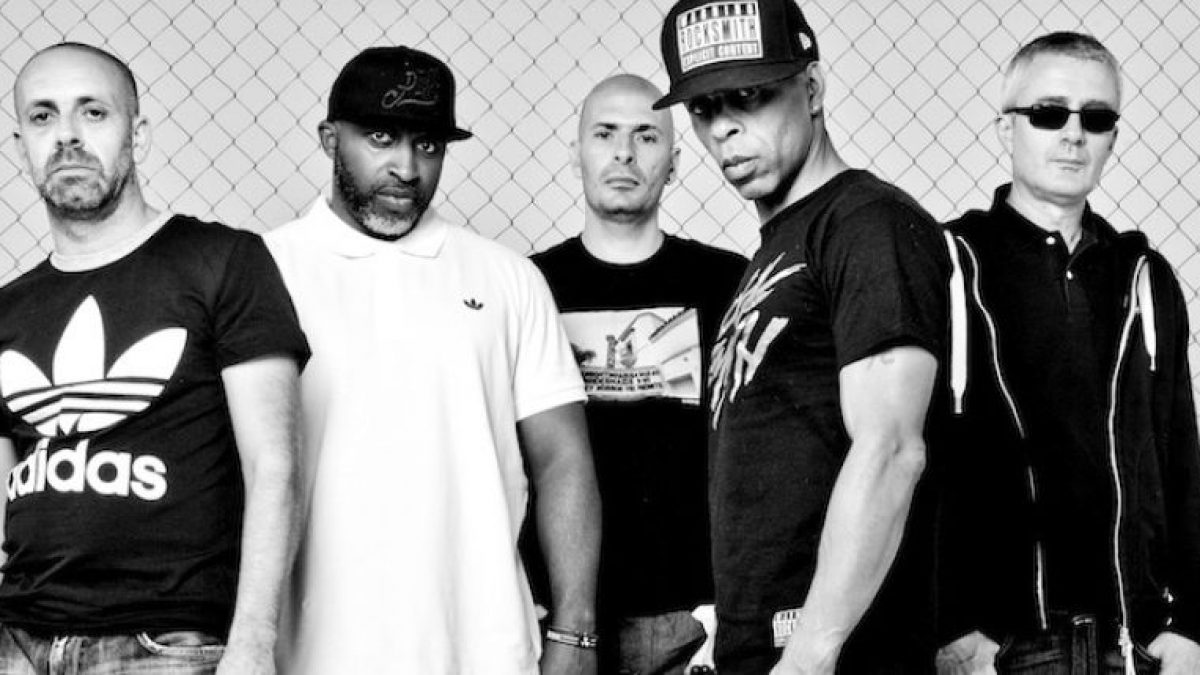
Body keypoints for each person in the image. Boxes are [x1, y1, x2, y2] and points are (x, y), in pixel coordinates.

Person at [264, 45, 601, 675]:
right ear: (329, 138)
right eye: (381, 138)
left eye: (427, 145)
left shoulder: (507, 278)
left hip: (483, 649)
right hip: (310, 651)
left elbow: (562, 459)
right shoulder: (265, 271)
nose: (406, 167)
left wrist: (574, 632)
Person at [654, 0, 950, 672]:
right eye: (703, 108)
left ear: (811, 88)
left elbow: (892, 448)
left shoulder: (867, 224)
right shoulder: (779, 248)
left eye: (749, 97)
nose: (724, 128)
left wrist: (809, 652)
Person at [0, 42, 309, 674]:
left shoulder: (223, 261)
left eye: (93, 112)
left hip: (162, 645)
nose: (66, 135)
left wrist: (254, 643)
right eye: (42, 116)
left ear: (136, 134)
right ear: (19, 145)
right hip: (19, 640)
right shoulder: (9, 307)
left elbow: (275, 465)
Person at [935, 31, 1200, 675]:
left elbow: (1181, 459)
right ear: (1007, 129)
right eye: (1049, 113)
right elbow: (907, 453)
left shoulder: (1142, 275)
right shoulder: (950, 262)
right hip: (1000, 650)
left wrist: (1191, 625)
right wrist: (950, 628)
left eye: (1097, 118)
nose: (1074, 135)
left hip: (1132, 646)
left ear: (1113, 136)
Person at [528, 73, 746, 675]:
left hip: (695, 613)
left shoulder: (727, 280)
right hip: (562, 615)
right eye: (605, 134)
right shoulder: (529, 285)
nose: (624, 153)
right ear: (575, 153)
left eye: (646, 136)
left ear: (674, 163)